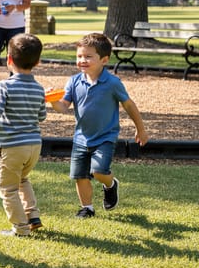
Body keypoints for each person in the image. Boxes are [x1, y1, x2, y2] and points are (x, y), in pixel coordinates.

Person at [50, 33, 148, 218]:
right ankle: (87, 207)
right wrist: (53, 100)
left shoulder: (112, 83)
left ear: (104, 60)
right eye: (79, 56)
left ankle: (110, 184)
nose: (82, 60)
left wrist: (140, 129)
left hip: (105, 137)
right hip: (81, 138)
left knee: (98, 171)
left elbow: (129, 105)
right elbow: (63, 106)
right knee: (80, 176)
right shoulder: (74, 81)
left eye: (88, 56)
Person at [0, 33, 47, 236]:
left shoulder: (5, 85)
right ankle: (33, 216)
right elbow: (42, 116)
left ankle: (20, 228)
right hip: (34, 145)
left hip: (12, 146)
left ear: (9, 60)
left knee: (8, 189)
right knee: (22, 179)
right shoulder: (39, 88)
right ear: (37, 62)